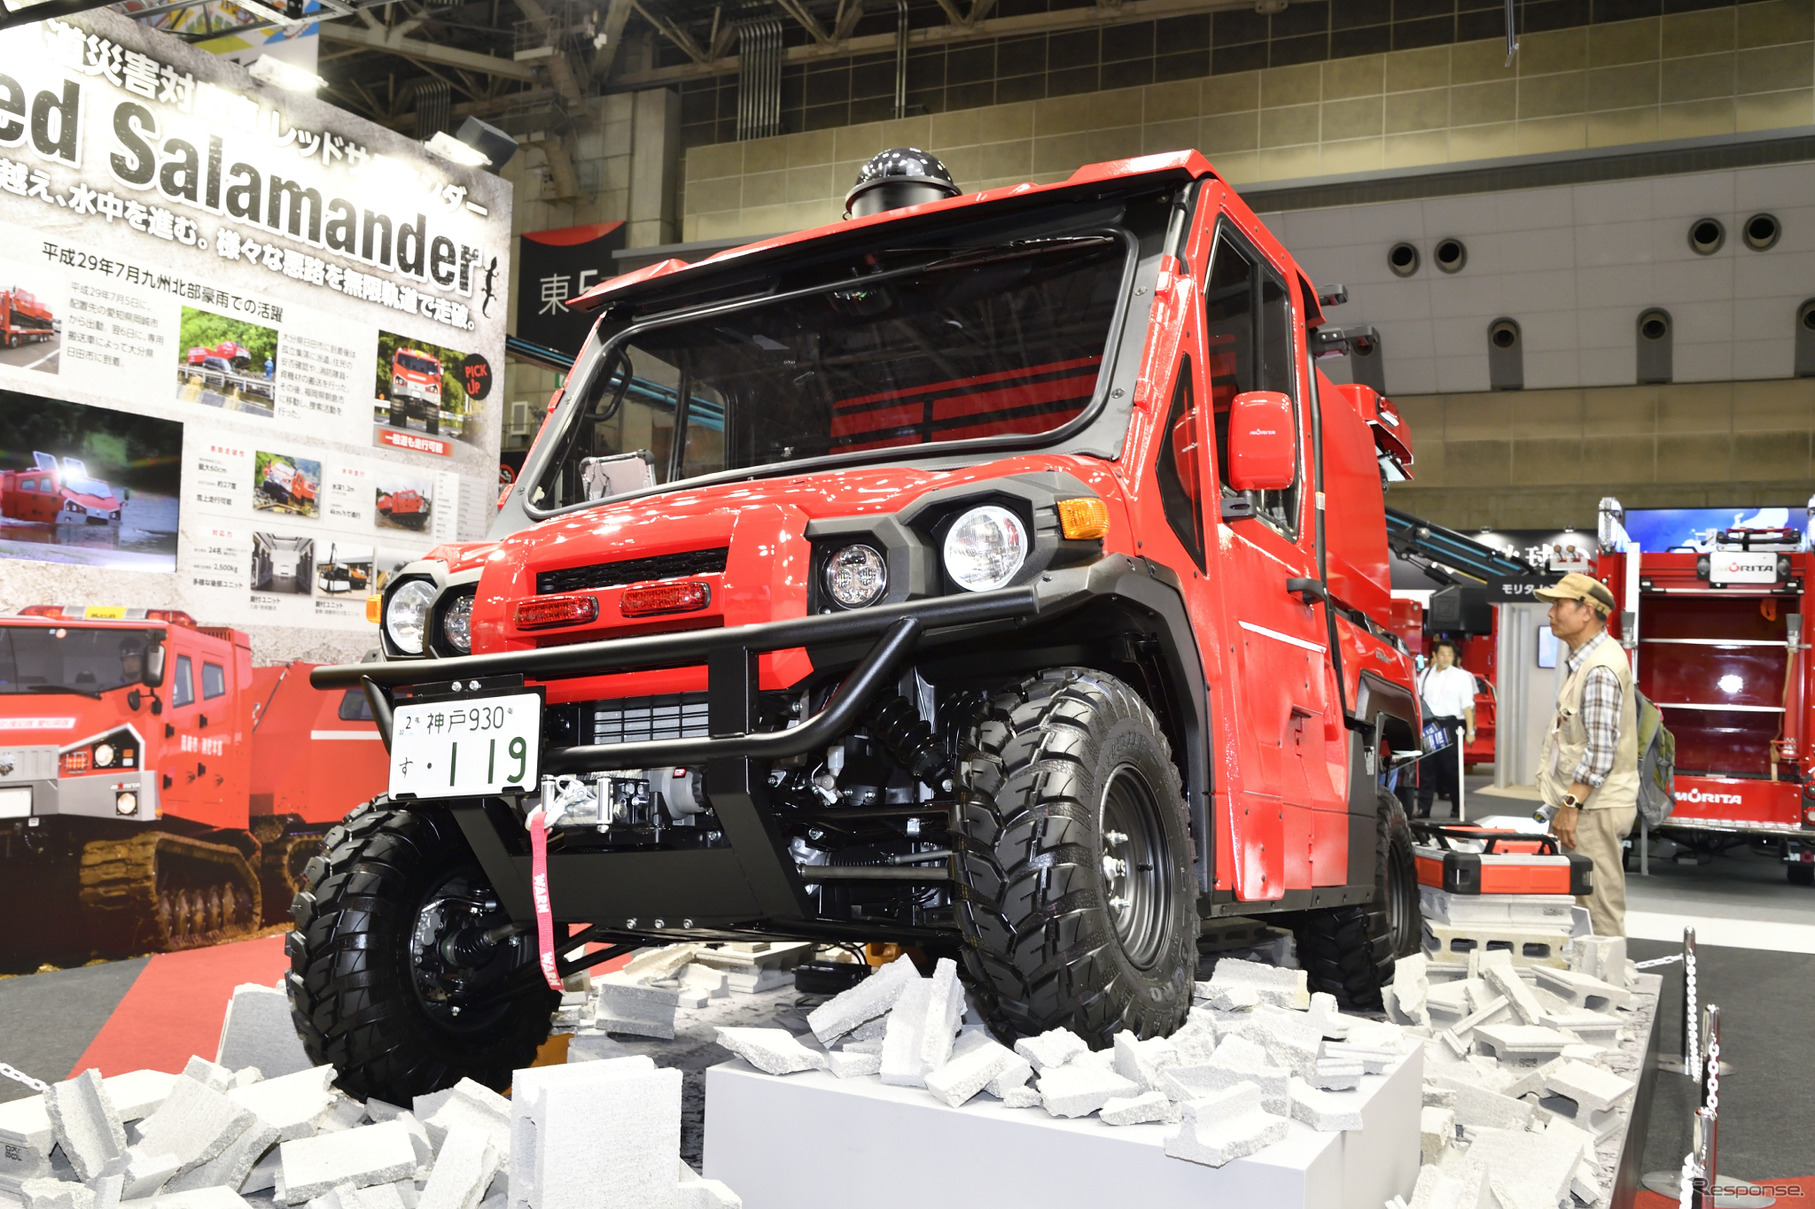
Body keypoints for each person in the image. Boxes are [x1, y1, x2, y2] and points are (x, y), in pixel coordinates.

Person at [1534, 571, 1638, 939]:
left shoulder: (1599, 669)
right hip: (1592, 805)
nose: (1550, 613)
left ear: (1587, 611)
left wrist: (1569, 806)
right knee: (1582, 902)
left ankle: (1609, 990)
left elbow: (1601, 751)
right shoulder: (1588, 662)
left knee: (1597, 905)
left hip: (1595, 807)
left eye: (1559, 604)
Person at [1416, 638, 1476, 818]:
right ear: (1434, 655)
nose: (1446, 657)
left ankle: (1458, 806)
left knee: (1451, 768)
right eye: (1442, 654)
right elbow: (1420, 698)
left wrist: (1471, 731)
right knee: (1427, 767)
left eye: (1450, 654)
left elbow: (1467, 705)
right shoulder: (1426, 674)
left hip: (1450, 723)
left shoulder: (1461, 676)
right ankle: (1423, 808)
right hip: (1429, 724)